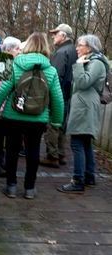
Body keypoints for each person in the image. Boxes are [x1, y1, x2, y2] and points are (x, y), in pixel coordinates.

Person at [0, 32, 64, 199]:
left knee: (12, 150)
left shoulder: (16, 65)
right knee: (33, 151)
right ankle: (29, 189)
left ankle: (11, 187)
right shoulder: (51, 70)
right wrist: (56, 121)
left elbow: (2, 91)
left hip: (13, 116)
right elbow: (57, 99)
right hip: (38, 118)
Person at [57, 34, 109, 193]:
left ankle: (77, 180)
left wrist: (78, 65)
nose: (77, 48)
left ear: (90, 47)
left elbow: (83, 82)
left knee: (77, 142)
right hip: (85, 105)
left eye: (80, 45)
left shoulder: (96, 63)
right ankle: (89, 177)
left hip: (85, 106)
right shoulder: (94, 61)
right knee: (85, 142)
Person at [40, 23, 78, 168]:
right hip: (67, 93)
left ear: (63, 35)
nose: (53, 36)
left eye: (56, 34)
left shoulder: (62, 52)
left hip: (58, 94)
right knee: (61, 125)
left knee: (52, 125)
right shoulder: (73, 50)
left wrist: (48, 96)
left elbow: (54, 76)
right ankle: (61, 154)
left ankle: (52, 156)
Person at [0, 36, 21, 177]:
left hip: (3, 108)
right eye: (17, 48)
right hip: (0, 109)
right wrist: (0, 109)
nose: (20, 51)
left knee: (0, 138)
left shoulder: (8, 62)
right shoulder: (3, 63)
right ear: (8, 50)